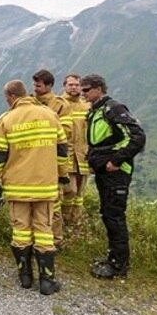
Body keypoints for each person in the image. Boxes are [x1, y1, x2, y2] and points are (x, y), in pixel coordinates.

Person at [0, 79, 69, 295]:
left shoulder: (6, 120)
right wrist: (62, 175)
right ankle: (47, 281)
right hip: (45, 186)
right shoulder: (50, 115)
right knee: (44, 230)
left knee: (20, 231)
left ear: (11, 97)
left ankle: (25, 277)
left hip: (18, 187)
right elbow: (61, 151)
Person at [80, 74, 146, 279]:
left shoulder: (114, 108)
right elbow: (100, 142)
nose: (83, 93)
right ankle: (114, 259)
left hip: (117, 174)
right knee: (108, 215)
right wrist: (94, 162)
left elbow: (137, 137)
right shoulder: (95, 110)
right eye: (82, 89)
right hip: (104, 172)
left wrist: (115, 161)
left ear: (99, 89)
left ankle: (118, 265)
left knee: (114, 216)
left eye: (87, 89)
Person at [32, 69, 73, 249]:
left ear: (48, 86)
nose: (35, 88)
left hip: (52, 160)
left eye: (38, 85)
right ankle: (35, 237)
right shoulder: (29, 102)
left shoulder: (60, 105)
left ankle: (56, 240)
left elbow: (67, 132)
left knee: (53, 203)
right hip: (32, 158)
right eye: (34, 85)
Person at [61, 74, 91, 224]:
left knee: (79, 193)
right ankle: (64, 219)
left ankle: (75, 221)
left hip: (83, 155)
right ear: (65, 86)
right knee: (69, 190)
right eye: (70, 85)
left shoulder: (87, 106)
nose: (74, 87)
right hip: (67, 156)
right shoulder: (60, 104)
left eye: (77, 85)